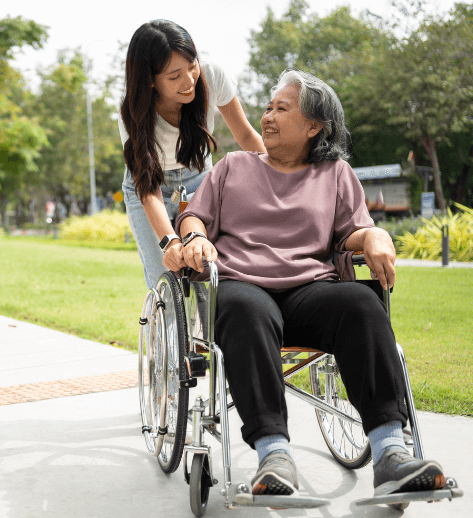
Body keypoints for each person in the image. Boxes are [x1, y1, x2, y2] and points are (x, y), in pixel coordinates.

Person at [174, 70, 447, 498]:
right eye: (267, 107)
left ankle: (391, 453)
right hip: (244, 285)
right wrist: (193, 236)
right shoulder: (233, 166)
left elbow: (352, 230)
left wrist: (374, 234)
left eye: (281, 109)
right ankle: (274, 455)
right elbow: (195, 215)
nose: (266, 116)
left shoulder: (335, 173)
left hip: (309, 293)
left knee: (360, 302)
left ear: (314, 125)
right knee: (247, 309)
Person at [119, 19, 266, 290]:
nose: (189, 82)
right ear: (150, 81)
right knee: (166, 278)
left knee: (204, 267)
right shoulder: (133, 110)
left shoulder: (212, 78)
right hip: (152, 190)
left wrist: (280, 181)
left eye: (192, 66)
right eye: (174, 76)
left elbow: (246, 136)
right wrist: (170, 242)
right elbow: (147, 188)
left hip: (197, 184)